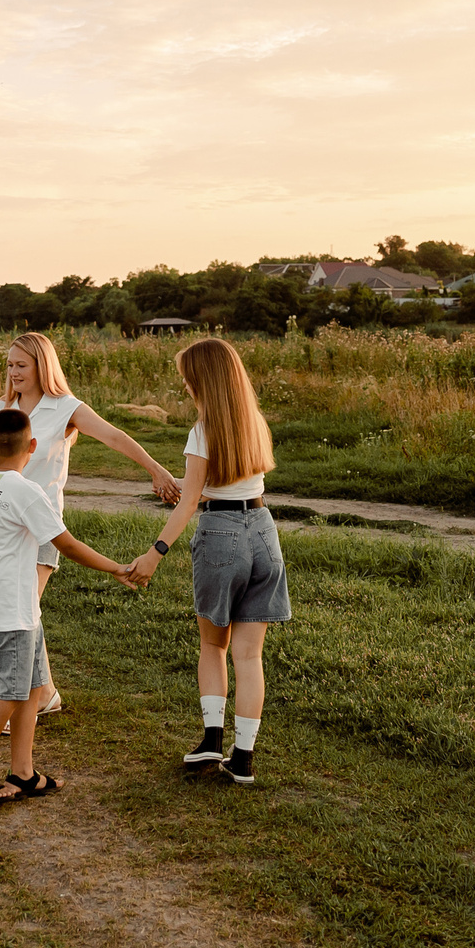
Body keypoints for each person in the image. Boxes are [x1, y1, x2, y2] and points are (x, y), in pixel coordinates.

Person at [0, 408, 137, 806]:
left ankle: (23, 772)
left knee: (31, 687)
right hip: (14, 609)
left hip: (11, 602)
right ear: (32, 446)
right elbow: (67, 545)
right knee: (10, 693)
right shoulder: (27, 491)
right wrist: (116, 568)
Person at [0, 332, 182, 720]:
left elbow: (114, 437)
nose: (13, 372)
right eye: (10, 364)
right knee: (22, 609)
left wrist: (156, 469)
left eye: (21, 365)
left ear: (42, 366)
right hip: (3, 524)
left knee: (23, 609)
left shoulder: (66, 407)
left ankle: (21, 701)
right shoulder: (4, 406)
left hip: (43, 524)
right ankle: (45, 693)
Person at [130, 337, 284, 786]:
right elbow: (227, 481)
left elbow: (191, 503)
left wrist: (155, 553)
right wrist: (183, 483)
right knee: (249, 655)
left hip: (221, 533)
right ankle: (243, 759)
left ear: (204, 380)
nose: (184, 385)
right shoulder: (254, 422)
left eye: (187, 378)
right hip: (263, 531)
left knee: (213, 645)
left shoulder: (202, 431)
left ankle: (212, 739)